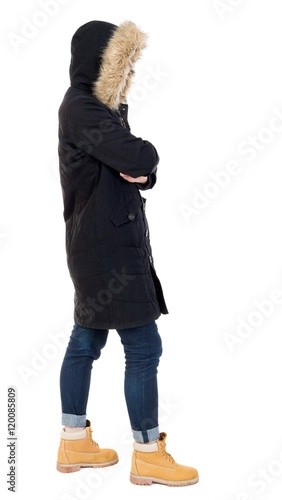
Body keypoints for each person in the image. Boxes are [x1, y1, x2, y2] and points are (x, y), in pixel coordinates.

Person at [56, 19, 199, 487]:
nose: (130, 71)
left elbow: (134, 170)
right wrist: (147, 160)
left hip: (100, 245)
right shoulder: (82, 107)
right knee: (143, 347)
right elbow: (138, 158)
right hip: (108, 251)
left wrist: (142, 169)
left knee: (87, 341)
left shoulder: (99, 110)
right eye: (123, 62)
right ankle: (147, 452)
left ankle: (74, 442)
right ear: (101, 63)